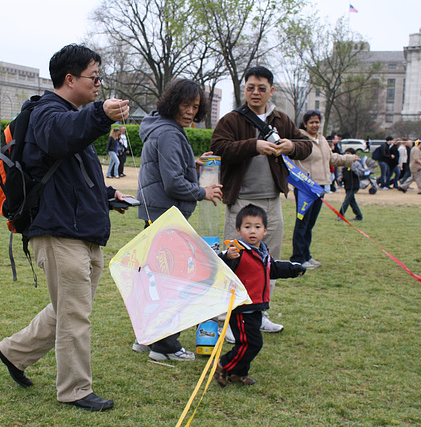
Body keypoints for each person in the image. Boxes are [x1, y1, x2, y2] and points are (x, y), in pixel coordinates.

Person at [0, 43, 130, 412]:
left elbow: (76, 176)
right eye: (94, 76)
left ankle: (13, 351)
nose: (99, 83)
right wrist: (101, 114)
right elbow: (63, 135)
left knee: (70, 308)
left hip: (81, 229)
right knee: (75, 313)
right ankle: (74, 389)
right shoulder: (46, 113)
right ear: (70, 79)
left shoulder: (71, 116)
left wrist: (108, 196)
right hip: (58, 232)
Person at [210, 65, 312, 333]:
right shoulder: (231, 120)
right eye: (250, 87)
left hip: (272, 201)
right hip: (241, 200)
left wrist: (292, 146)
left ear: (271, 91)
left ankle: (259, 311)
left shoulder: (282, 119)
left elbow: (306, 145)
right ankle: (230, 317)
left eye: (262, 88)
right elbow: (219, 147)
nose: (256, 93)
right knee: (235, 259)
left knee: (268, 259)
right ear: (244, 89)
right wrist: (253, 146)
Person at [132, 78, 223, 361]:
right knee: (171, 279)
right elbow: (172, 184)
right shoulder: (170, 133)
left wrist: (190, 163)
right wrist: (202, 191)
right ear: (173, 102)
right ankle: (165, 346)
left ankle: (145, 338)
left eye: (196, 107)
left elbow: (167, 168)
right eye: (185, 104)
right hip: (165, 214)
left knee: (155, 277)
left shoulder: (162, 127)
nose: (190, 111)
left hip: (157, 214)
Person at [214, 204, 305, 387]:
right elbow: (223, 268)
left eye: (257, 227)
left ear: (265, 231)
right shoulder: (236, 251)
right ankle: (225, 364)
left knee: (249, 342)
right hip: (241, 307)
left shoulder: (262, 251)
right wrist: (228, 258)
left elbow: (273, 268)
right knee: (251, 343)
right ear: (239, 230)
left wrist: (294, 269)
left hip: (255, 306)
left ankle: (238, 374)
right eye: (247, 227)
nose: (252, 231)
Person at [290, 110, 356, 269]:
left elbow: (331, 158)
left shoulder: (322, 139)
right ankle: (298, 258)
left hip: (320, 186)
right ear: (305, 124)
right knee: (302, 224)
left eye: (317, 122)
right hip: (305, 187)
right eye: (311, 122)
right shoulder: (300, 139)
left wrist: (349, 159)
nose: (315, 125)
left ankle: (306, 255)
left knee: (310, 224)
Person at [338, 148, 364, 221]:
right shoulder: (344, 165)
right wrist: (340, 178)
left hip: (354, 186)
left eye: (348, 154)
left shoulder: (357, 164)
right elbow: (342, 174)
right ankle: (359, 216)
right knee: (352, 202)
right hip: (347, 185)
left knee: (346, 201)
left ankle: (340, 215)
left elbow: (361, 173)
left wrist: (353, 169)